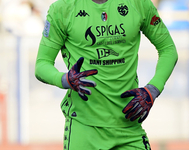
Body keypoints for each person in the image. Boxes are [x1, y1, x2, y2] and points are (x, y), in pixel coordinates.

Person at [35, 0, 178, 149]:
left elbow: (168, 49)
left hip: (129, 128)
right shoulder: (63, 8)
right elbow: (42, 64)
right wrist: (64, 79)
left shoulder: (138, 3)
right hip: (84, 128)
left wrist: (153, 89)